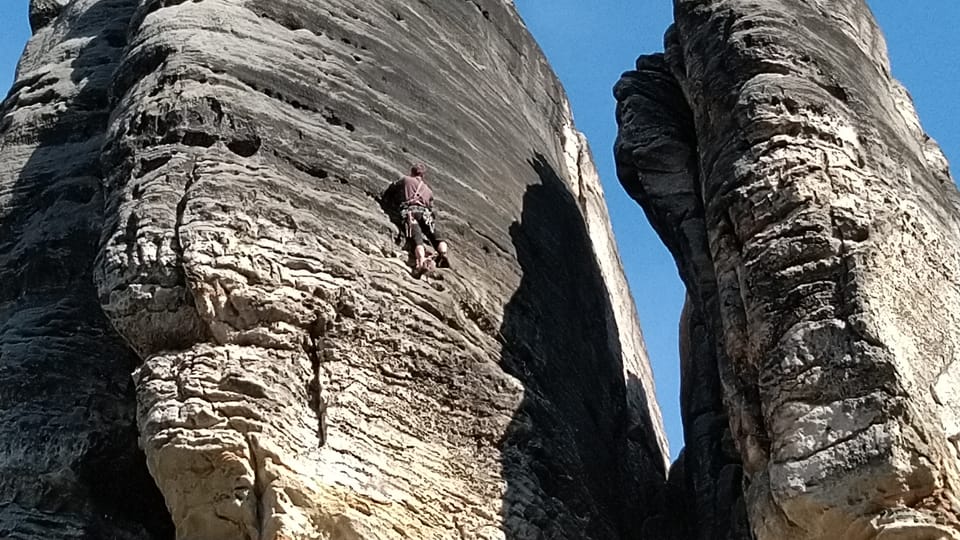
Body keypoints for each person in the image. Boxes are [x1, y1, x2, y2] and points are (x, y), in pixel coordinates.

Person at [386, 164, 449, 276]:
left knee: (417, 239)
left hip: (410, 213)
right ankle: (443, 254)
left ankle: (420, 263)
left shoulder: (406, 180)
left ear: (412, 172)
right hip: (425, 214)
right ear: (423, 175)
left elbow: (392, 189)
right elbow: (430, 207)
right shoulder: (428, 190)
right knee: (436, 237)